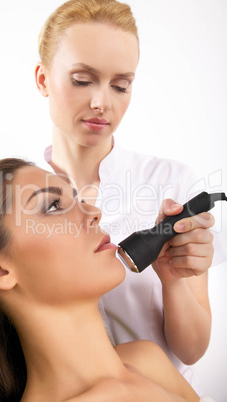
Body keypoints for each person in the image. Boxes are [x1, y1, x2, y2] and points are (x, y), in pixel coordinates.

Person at [34, 0, 225, 392]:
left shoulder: (170, 183)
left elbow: (191, 351)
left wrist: (173, 279)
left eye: (121, 85)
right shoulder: (19, 202)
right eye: (82, 80)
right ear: (42, 80)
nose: (103, 103)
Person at [0, 158, 215, 401]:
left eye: (78, 198)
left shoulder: (146, 360)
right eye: (53, 206)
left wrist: (172, 278)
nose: (94, 212)